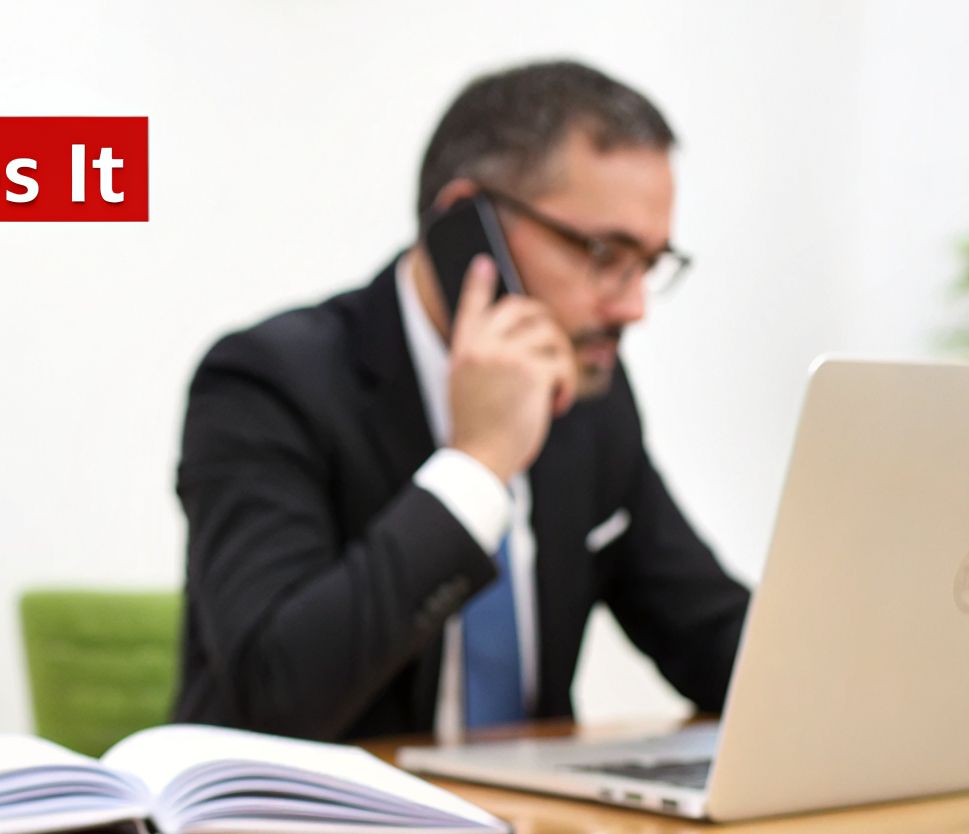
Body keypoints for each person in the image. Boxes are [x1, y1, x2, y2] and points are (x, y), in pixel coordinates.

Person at [173, 60, 750, 742]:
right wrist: (478, 465)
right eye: (603, 253)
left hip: (530, 832)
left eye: (650, 264)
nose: (632, 306)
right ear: (465, 223)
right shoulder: (267, 382)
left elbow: (716, 640)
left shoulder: (589, 395)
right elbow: (275, 695)